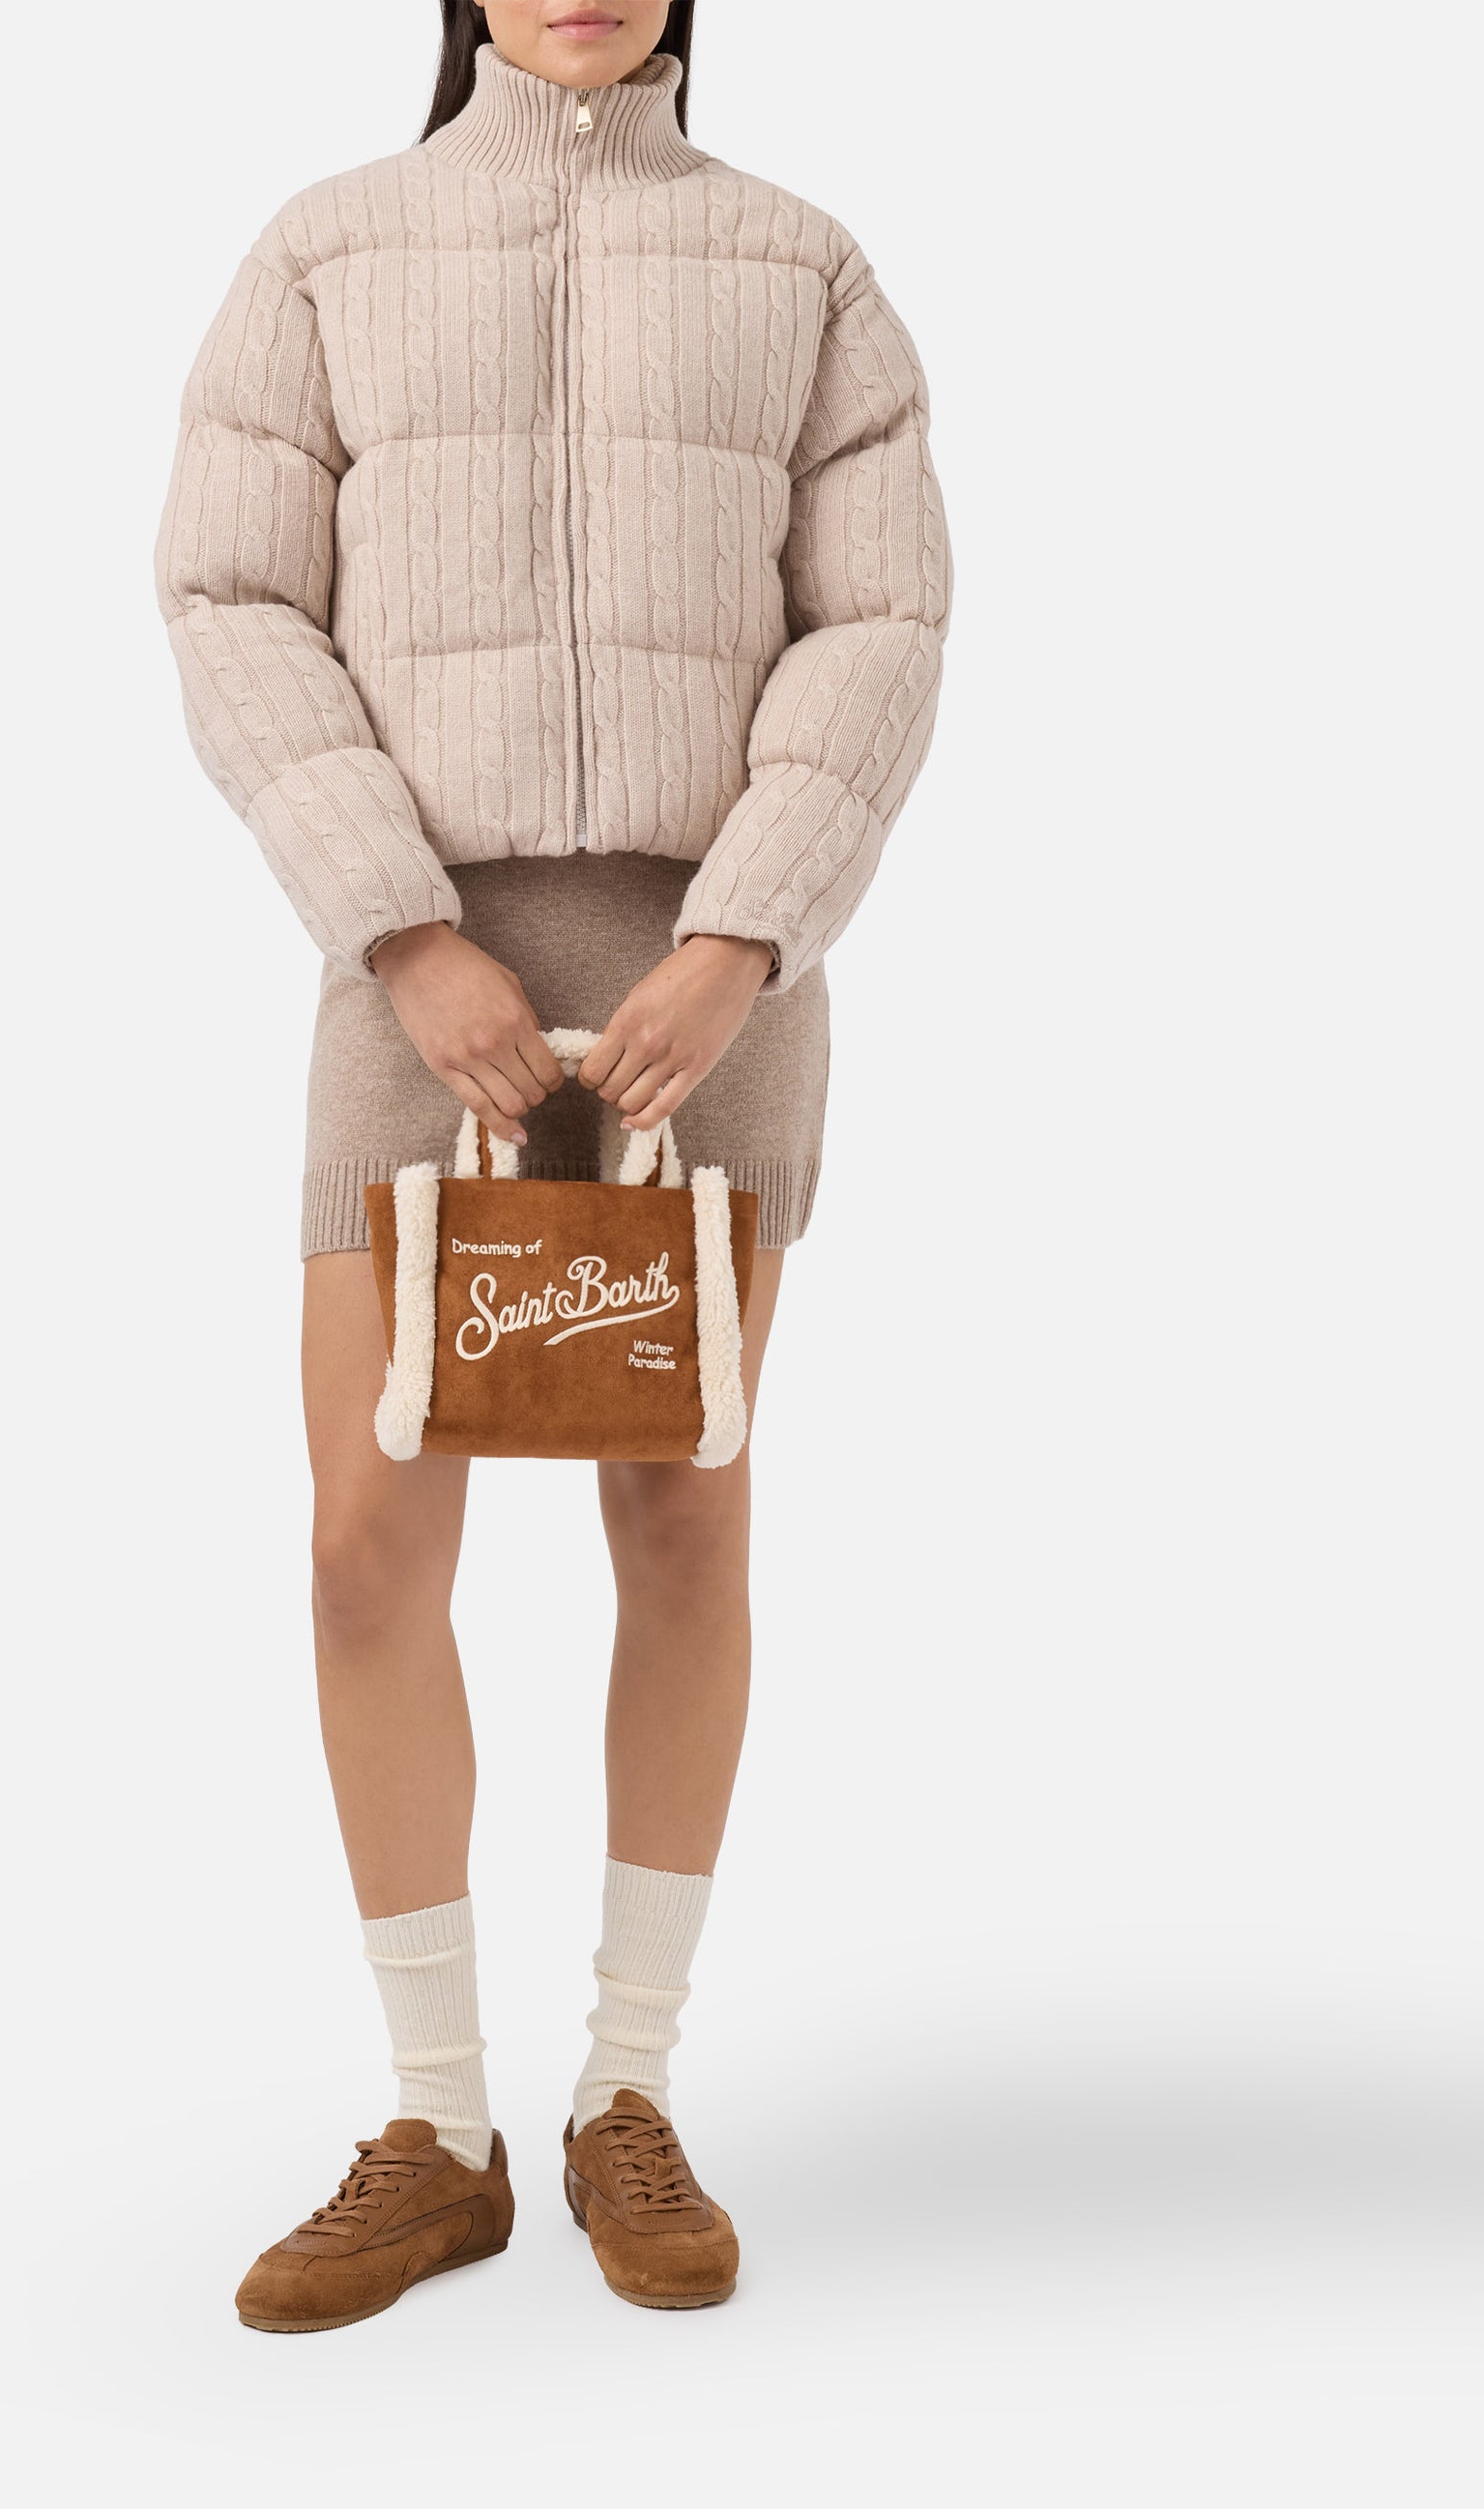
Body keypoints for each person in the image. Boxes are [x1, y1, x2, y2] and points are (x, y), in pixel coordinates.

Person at [154, 0, 949, 2330]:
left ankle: (625, 2092)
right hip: (415, 971)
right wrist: (401, 929)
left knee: (680, 1510)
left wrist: (744, 931)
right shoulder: (324, 249)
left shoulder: (805, 263)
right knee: (364, 1537)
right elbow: (228, 596)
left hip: (717, 988)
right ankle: (436, 2126)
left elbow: (880, 619)